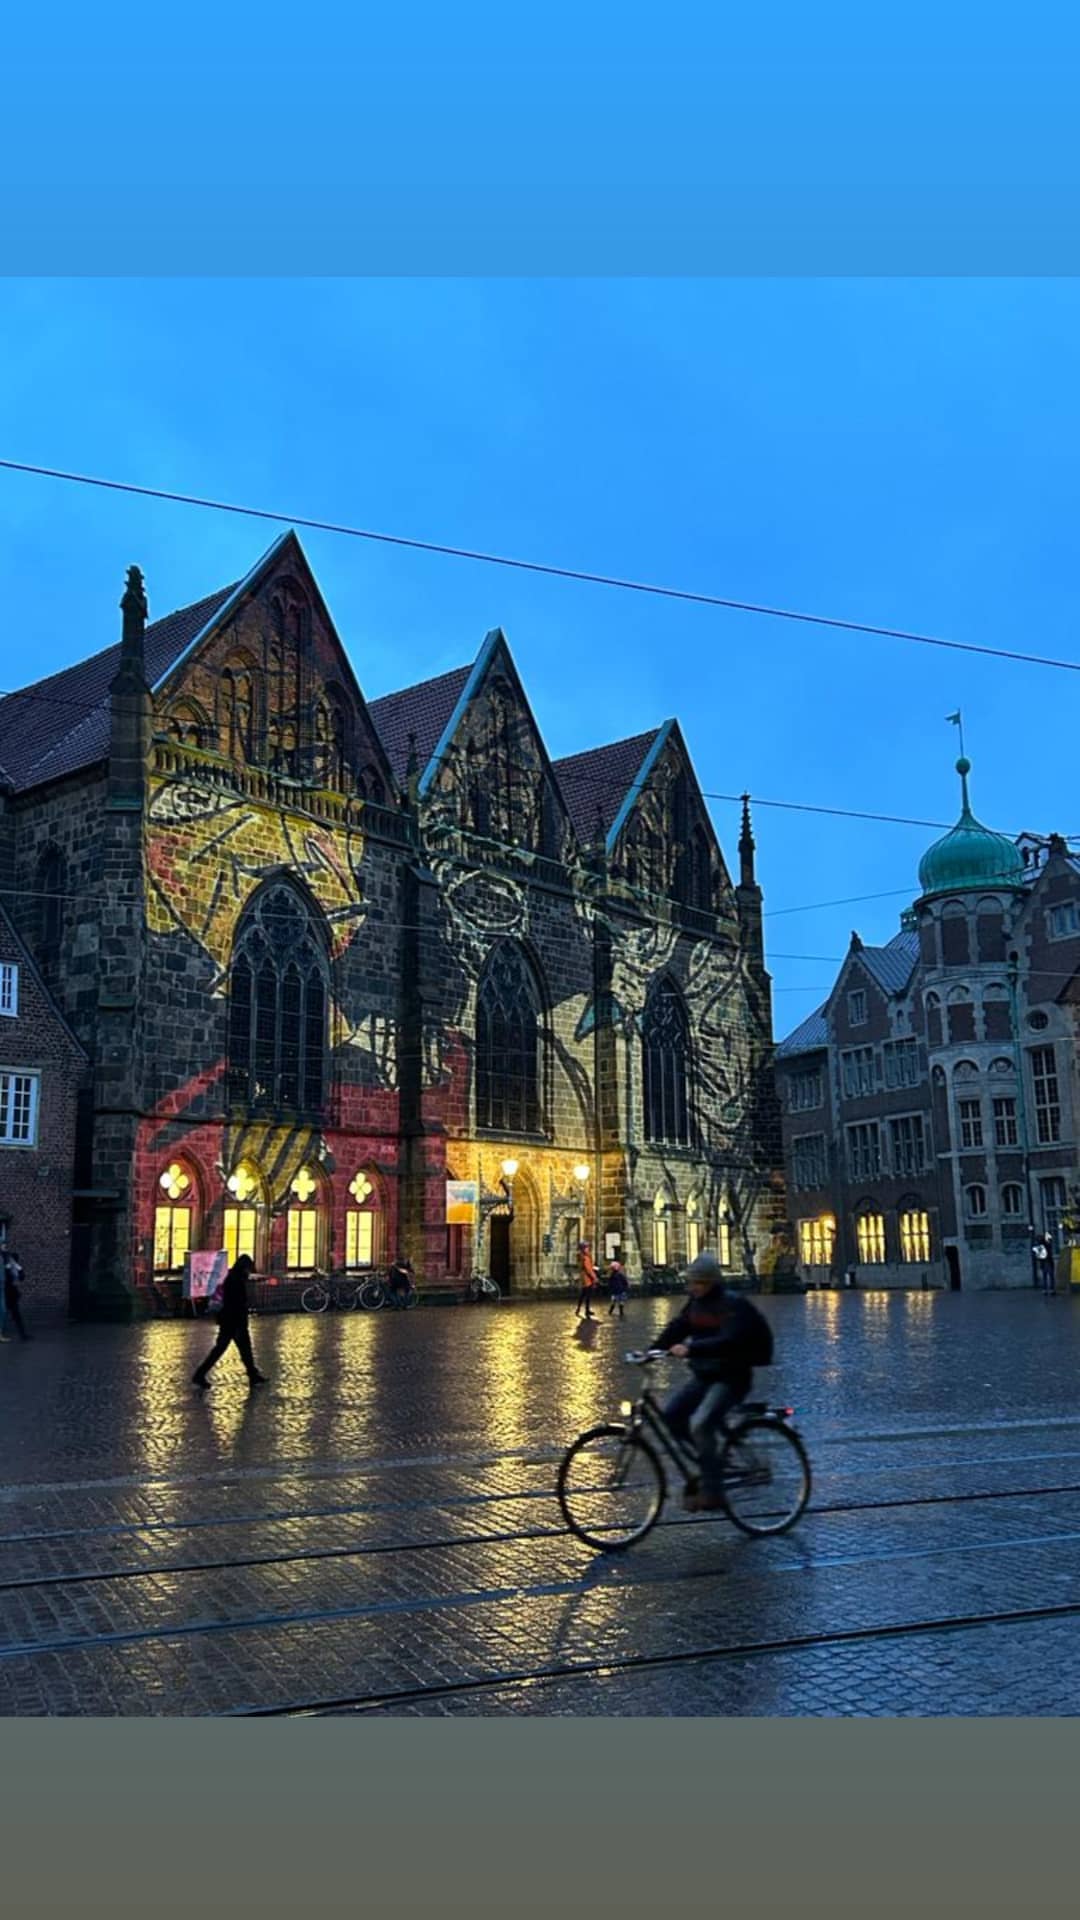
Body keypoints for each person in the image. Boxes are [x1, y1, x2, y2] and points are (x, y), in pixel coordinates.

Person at [654, 1251, 771, 1512]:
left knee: (700, 1424)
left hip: (732, 1377)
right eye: (691, 1282)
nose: (692, 1287)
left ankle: (713, 1491)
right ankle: (709, 1463)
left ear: (709, 1282)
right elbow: (678, 1327)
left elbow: (729, 1341)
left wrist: (692, 1349)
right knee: (672, 1415)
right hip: (706, 1375)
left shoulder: (731, 1305)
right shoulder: (695, 1304)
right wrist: (650, 1351)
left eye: (697, 1282)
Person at [191, 1253, 268, 1389]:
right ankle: (199, 1375)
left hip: (232, 1321)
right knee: (224, 1349)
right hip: (234, 1322)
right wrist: (239, 1320)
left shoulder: (234, 1277)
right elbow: (235, 1303)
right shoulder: (235, 1280)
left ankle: (253, 1374)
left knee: (243, 1350)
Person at [2, 1249, 29, 1341]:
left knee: (16, 1315)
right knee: (12, 1315)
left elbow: (22, 1277)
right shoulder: (6, 1267)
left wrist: (18, 1267)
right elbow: (8, 1277)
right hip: (6, 1294)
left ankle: (23, 1335)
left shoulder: (13, 1267)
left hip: (11, 1295)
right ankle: (23, 1335)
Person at [575, 1241, 598, 1320]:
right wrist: (594, 1277)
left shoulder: (582, 1257)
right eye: (586, 1247)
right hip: (587, 1279)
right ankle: (587, 1310)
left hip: (584, 1278)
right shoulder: (585, 1257)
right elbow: (588, 1269)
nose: (588, 1249)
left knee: (583, 1294)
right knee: (587, 1295)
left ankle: (579, 1308)